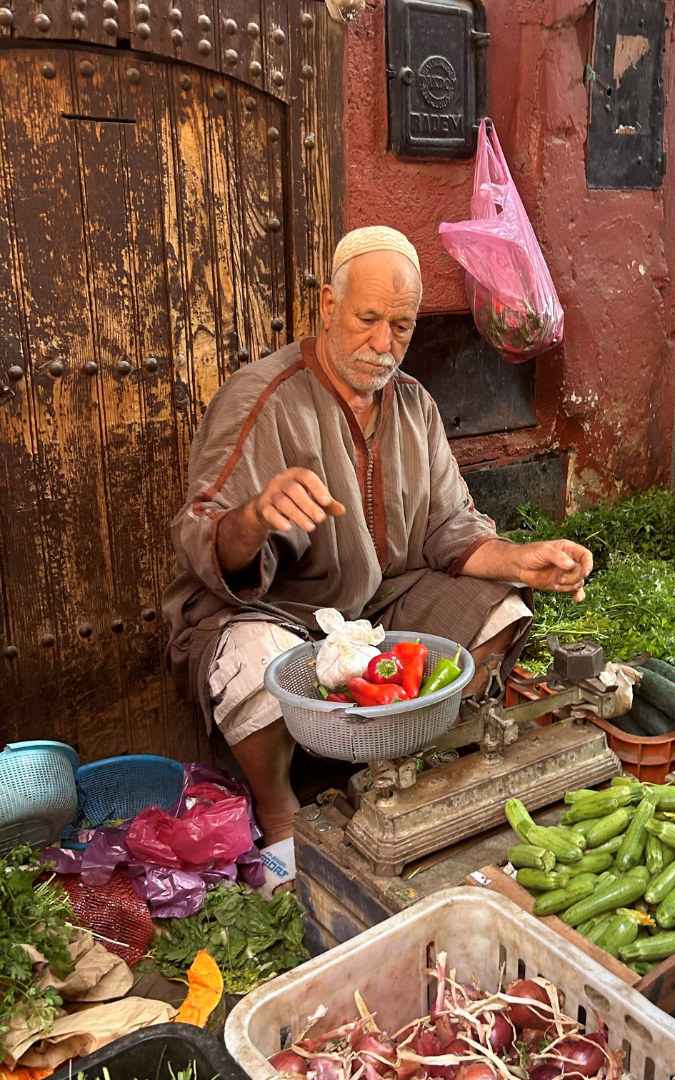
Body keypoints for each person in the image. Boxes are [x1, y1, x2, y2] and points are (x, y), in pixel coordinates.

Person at [164, 226, 592, 891]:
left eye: (401, 325)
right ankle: (281, 817)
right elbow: (200, 535)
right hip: (274, 609)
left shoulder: (415, 405)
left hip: (373, 606)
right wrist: (253, 518)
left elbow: (451, 528)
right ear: (328, 304)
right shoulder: (262, 398)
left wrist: (518, 559)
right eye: (367, 319)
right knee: (252, 656)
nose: (382, 343)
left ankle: (416, 775)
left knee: (498, 610)